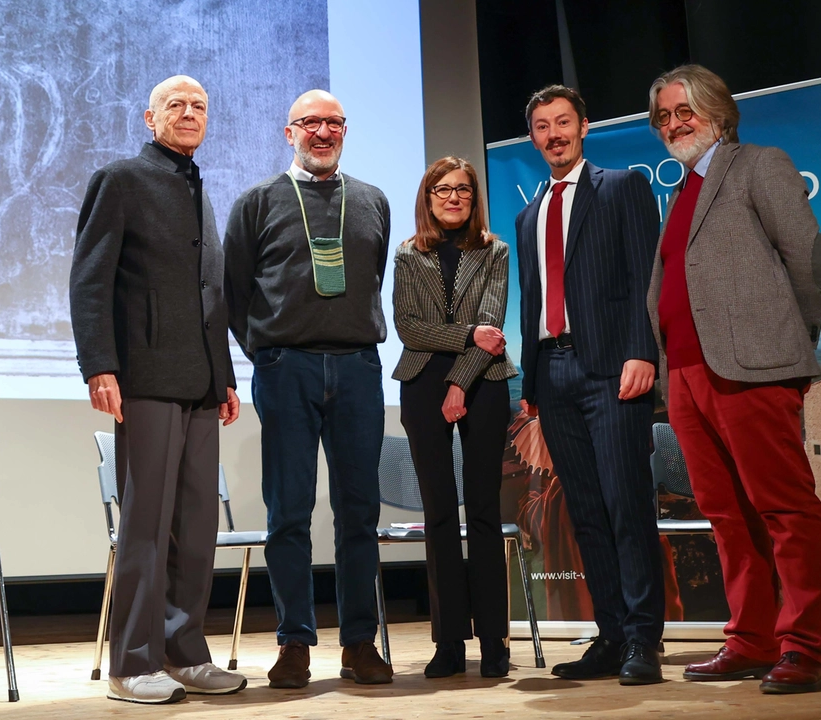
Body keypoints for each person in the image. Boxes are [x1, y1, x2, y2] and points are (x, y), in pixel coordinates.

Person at [646, 64, 821, 694]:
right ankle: (751, 639)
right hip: (688, 374)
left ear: (719, 113)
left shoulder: (758, 163)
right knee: (726, 514)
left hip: (753, 368)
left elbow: (807, 260)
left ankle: (806, 647)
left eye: (685, 110)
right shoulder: (679, 193)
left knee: (784, 507)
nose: (674, 123)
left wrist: (792, 347)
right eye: (664, 115)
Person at [69, 75, 244, 704]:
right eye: (177, 105)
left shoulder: (197, 187)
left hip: (199, 382)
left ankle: (184, 652)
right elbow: (90, 280)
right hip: (143, 377)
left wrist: (223, 376)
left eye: (200, 105)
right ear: (150, 117)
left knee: (197, 526)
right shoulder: (121, 179)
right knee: (145, 524)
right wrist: (99, 365)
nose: (190, 113)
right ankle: (131, 662)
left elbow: (211, 295)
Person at [223, 89, 392, 688]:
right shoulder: (257, 202)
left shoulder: (372, 200)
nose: (323, 133)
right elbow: (234, 293)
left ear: (345, 131)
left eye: (333, 123)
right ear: (288, 131)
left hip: (357, 369)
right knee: (288, 512)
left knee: (358, 512)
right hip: (286, 369)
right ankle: (294, 642)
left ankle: (358, 643)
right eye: (310, 123)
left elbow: (371, 277)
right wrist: (265, 353)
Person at [514, 85, 665, 684]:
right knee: (586, 513)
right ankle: (609, 636)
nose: (554, 134)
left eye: (563, 122)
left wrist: (641, 352)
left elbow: (643, 278)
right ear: (533, 137)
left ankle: (643, 641)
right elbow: (532, 304)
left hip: (612, 370)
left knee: (627, 504)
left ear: (584, 127)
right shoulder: (529, 215)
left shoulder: (623, 187)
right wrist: (532, 379)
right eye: (542, 126)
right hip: (553, 375)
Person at [393, 156, 518, 678]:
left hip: (484, 383)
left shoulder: (494, 250)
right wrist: (465, 338)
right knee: (440, 513)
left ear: (473, 198)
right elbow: (409, 328)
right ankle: (449, 643)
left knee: (484, 511)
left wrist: (459, 381)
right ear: (428, 197)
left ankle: (494, 642)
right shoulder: (408, 254)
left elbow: (493, 324)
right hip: (421, 384)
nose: (452, 197)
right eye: (442, 189)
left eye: (462, 190)